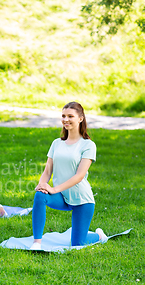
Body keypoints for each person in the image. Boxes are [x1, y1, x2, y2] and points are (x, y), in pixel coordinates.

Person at [30, 101, 108, 250]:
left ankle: (98, 235)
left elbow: (79, 176)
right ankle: (36, 243)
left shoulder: (88, 145)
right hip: (61, 196)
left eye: (70, 116)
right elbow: (47, 171)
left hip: (81, 199)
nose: (66, 119)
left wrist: (54, 189)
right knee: (40, 195)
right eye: (63, 116)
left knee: (78, 243)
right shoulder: (56, 143)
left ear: (80, 118)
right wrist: (42, 185)